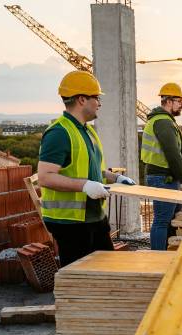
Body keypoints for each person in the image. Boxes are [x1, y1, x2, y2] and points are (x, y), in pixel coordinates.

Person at [38, 70, 136, 267]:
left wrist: (115, 178)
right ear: (82, 99)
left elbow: (93, 171)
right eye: (96, 98)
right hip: (70, 223)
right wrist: (84, 186)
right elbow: (45, 177)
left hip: (93, 217)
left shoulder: (86, 131)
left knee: (107, 270)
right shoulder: (59, 133)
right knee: (79, 280)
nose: (99, 103)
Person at [141, 83, 182, 250]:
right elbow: (172, 154)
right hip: (163, 178)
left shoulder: (166, 121)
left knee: (172, 219)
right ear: (168, 101)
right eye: (179, 101)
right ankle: (158, 257)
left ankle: (168, 253)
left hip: (169, 178)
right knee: (162, 220)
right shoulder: (163, 122)